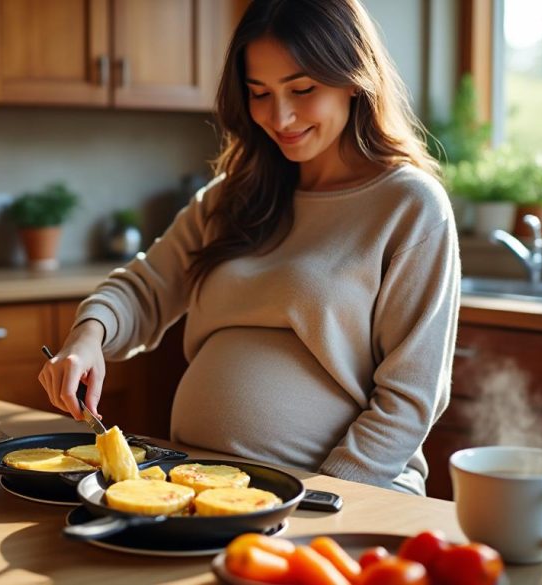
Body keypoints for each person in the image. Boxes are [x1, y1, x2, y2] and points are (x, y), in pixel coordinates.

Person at [38, 0, 460, 495]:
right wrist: (89, 335)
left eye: (302, 89)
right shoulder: (232, 197)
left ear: (353, 79)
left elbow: (410, 399)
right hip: (204, 486)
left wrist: (325, 496)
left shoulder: (409, 206)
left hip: (336, 496)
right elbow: (144, 288)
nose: (279, 116)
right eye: (259, 93)